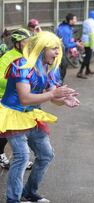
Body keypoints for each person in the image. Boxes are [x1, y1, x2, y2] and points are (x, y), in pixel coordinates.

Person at [0, 31, 79, 203]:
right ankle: (13, 199)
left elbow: (52, 96)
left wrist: (64, 99)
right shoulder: (21, 65)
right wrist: (53, 95)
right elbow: (25, 98)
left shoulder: (49, 69)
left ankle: (29, 193)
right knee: (21, 156)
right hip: (13, 114)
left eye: (59, 48)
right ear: (41, 48)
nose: (58, 52)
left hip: (31, 115)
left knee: (46, 154)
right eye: (54, 48)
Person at [0, 28, 32, 170]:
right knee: (8, 130)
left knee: (16, 130)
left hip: (19, 99)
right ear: (17, 43)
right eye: (25, 42)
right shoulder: (7, 57)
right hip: (4, 99)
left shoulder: (26, 56)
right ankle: (4, 155)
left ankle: (20, 157)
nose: (28, 45)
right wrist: (18, 83)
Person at [77, 10, 94, 79]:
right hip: (89, 42)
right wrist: (93, 45)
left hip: (84, 40)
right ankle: (80, 72)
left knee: (87, 56)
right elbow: (92, 35)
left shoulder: (86, 21)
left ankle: (87, 70)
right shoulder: (93, 23)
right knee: (87, 57)